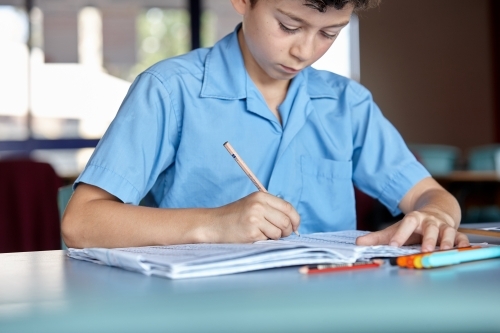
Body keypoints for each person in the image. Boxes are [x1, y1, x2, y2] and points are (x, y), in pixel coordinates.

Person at [62, 0, 469, 252]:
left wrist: (433, 216)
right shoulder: (171, 91)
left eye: (329, 33)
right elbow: (82, 223)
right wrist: (214, 224)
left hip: (330, 304)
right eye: (289, 26)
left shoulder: (347, 104)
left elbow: (431, 195)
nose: (304, 50)